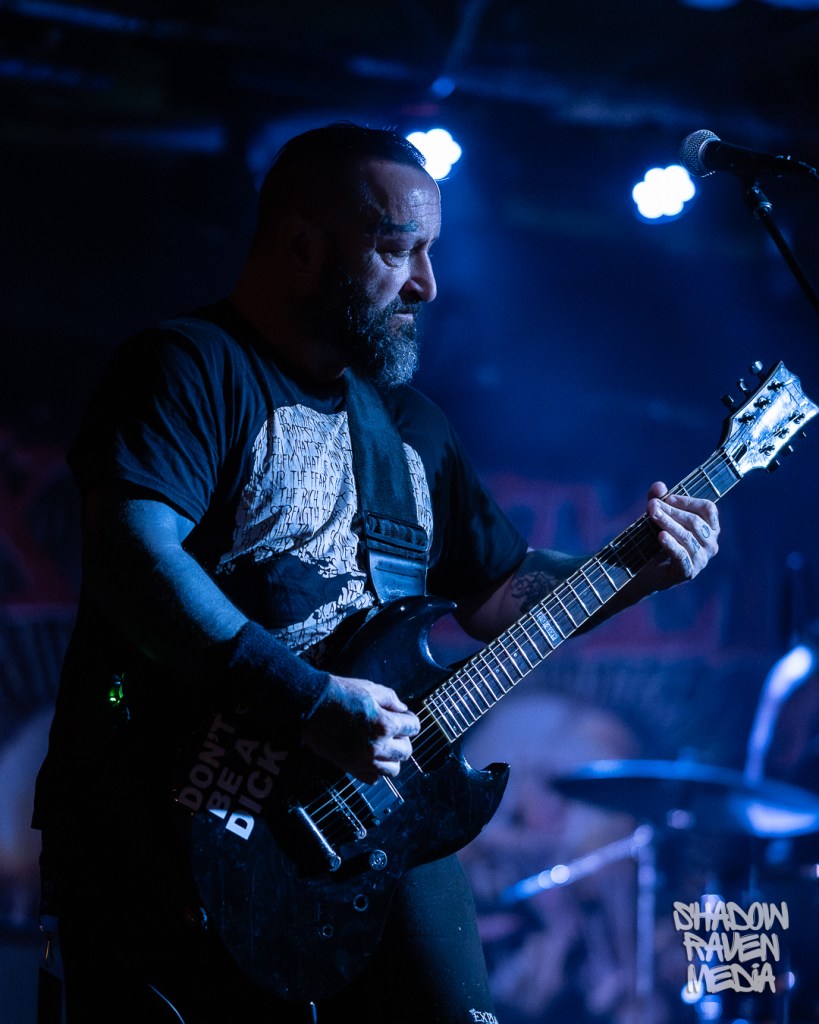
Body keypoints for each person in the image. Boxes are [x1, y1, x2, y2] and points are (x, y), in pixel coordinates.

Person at [32, 121, 721, 1024]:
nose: (426, 284)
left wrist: (636, 568)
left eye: (430, 252)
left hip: (377, 814)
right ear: (299, 245)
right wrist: (308, 701)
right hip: (178, 818)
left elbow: (498, 593)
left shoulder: (412, 427)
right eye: (397, 251)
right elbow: (134, 557)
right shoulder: (189, 367)